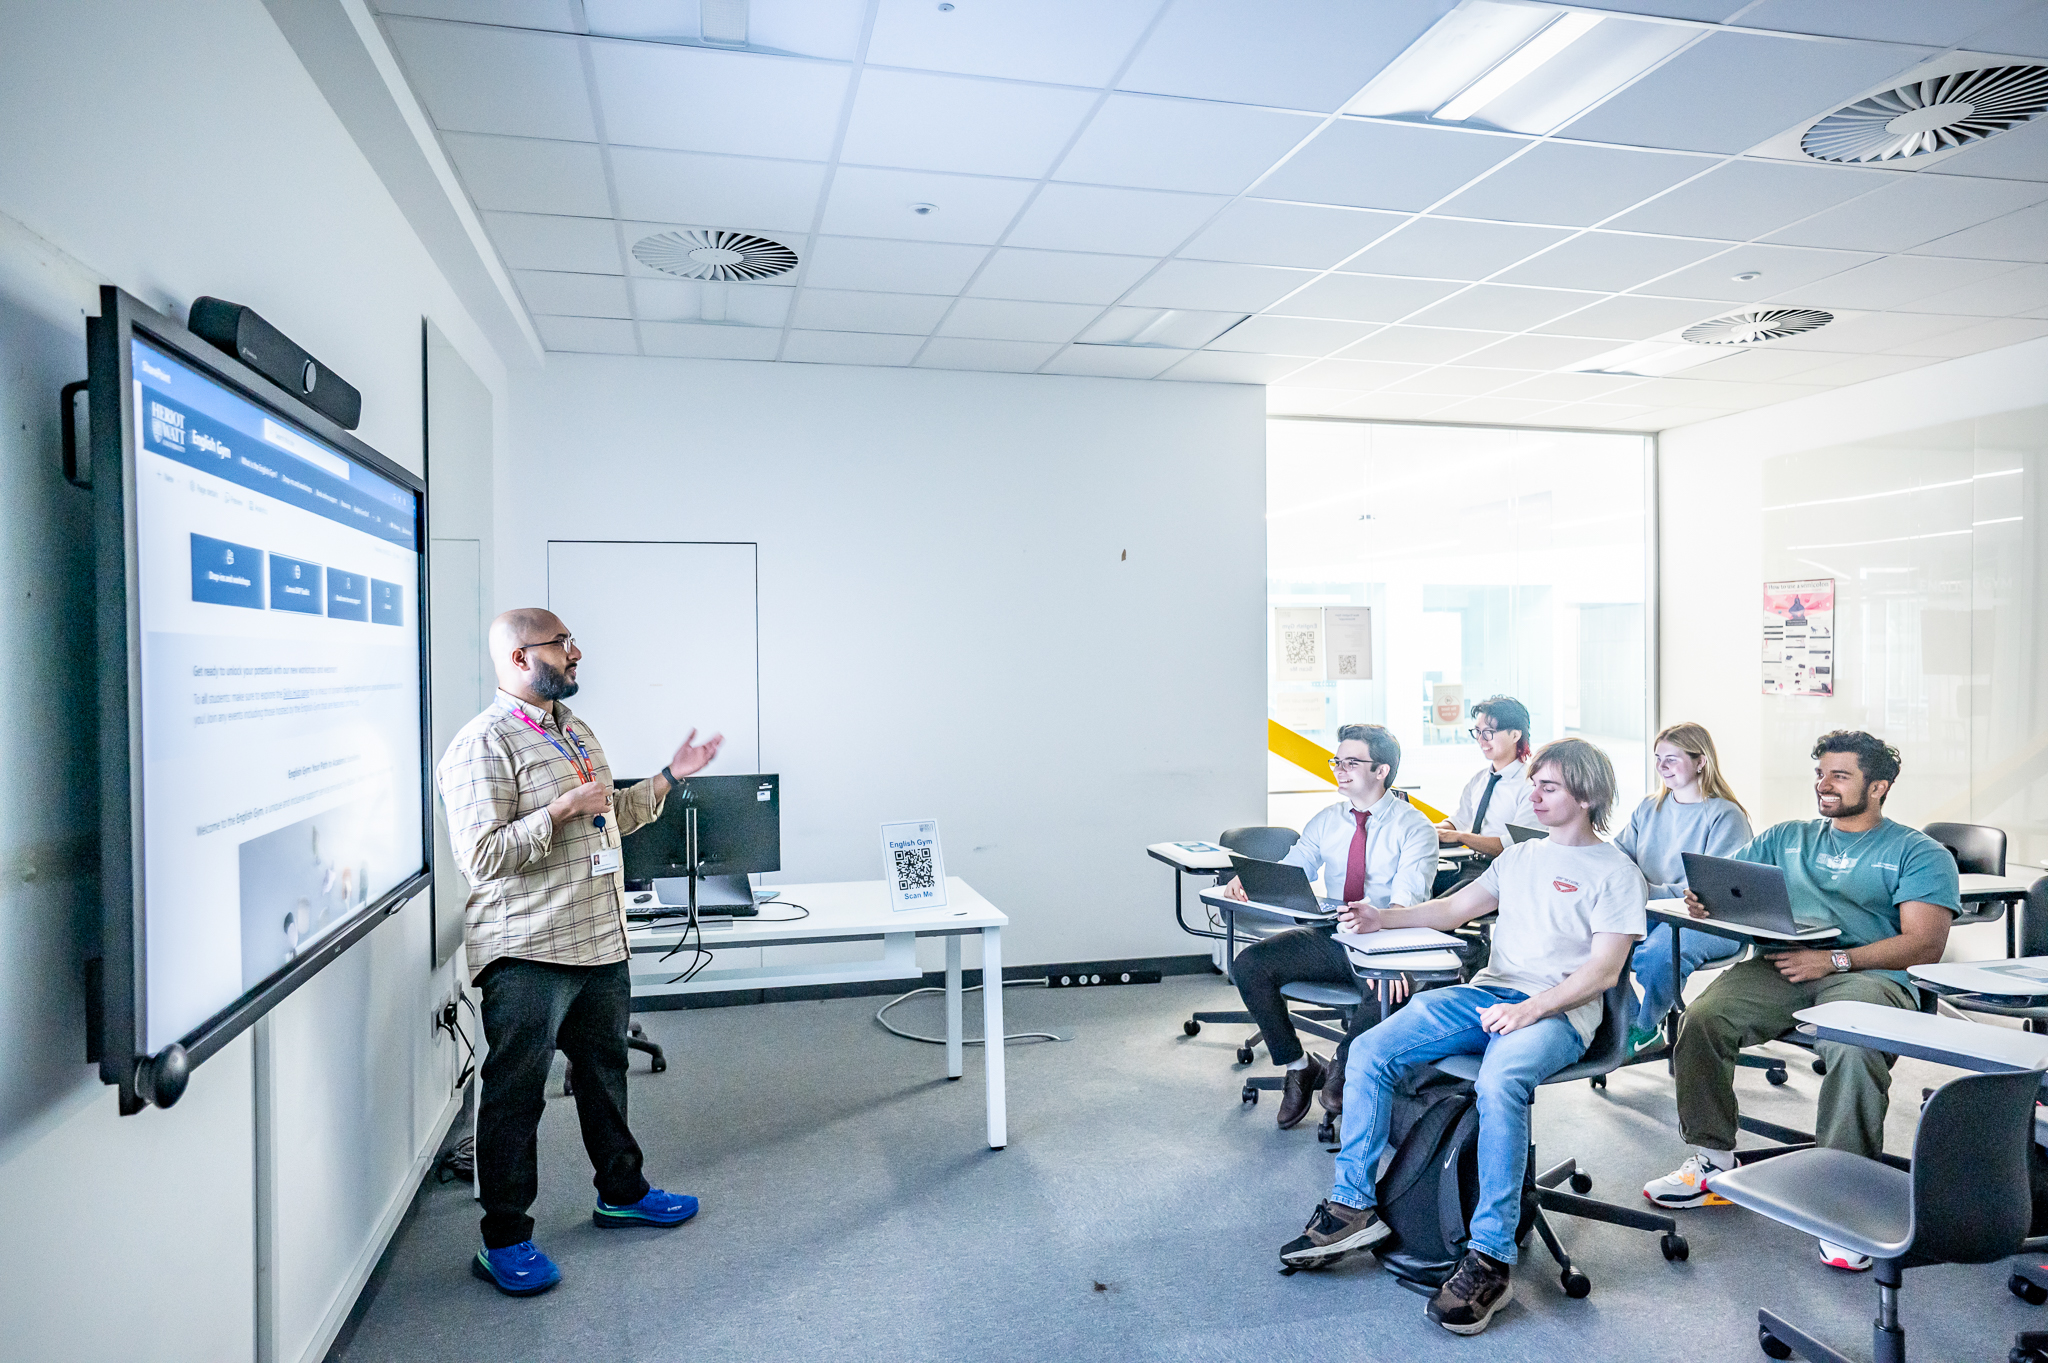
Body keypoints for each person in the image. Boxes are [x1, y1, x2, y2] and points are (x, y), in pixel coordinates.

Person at [1280, 738, 1646, 1337]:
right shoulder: (1521, 859)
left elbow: (1603, 973)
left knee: (1501, 1080)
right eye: (1535, 784)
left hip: (1558, 1012)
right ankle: (1353, 1205)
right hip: (1490, 993)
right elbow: (1450, 911)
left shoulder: (1616, 872)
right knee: (1372, 1049)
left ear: (1586, 795)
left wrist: (1534, 1009)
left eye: (1548, 787)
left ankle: (1491, 1255)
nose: (1534, 795)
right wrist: (1382, 918)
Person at [438, 608, 725, 1298]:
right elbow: (480, 857)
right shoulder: (481, 745)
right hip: (528, 948)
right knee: (515, 1095)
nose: (576, 652)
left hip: (598, 938)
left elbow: (612, 815)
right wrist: (560, 810)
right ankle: (505, 1238)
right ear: (516, 659)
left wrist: (665, 778)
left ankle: (621, 1192)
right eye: (561, 644)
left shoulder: (576, 730)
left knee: (604, 1073)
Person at [1642, 730, 1957, 1273]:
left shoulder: (1917, 852)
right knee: (1704, 1020)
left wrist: (1833, 961)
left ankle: (1842, 1198)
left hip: (1869, 975)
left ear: (1878, 787)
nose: (1824, 784)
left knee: (1853, 1048)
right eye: (1820, 773)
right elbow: (1730, 891)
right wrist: (1705, 902)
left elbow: (1924, 945)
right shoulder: (1787, 836)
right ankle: (1712, 1158)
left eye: (1840, 775)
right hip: (1782, 968)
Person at [1222, 724, 1438, 1128]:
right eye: (1337, 760)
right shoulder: (1328, 819)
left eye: (1351, 762)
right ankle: (1298, 1065)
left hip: (1387, 937)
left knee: (1387, 988)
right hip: (1335, 934)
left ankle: (1342, 1066)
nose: (1339, 769)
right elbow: (1295, 866)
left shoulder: (1415, 827)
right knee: (1249, 964)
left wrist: (1389, 956)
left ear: (1381, 771)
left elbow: (1408, 900)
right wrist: (1252, 881)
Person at [1614, 722, 1754, 1052]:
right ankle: (1635, 1022)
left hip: (1707, 918)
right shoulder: (1649, 808)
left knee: (1659, 956)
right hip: (1649, 909)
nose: (1661, 767)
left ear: (1701, 761)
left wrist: (1647, 891)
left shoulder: (1725, 815)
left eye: (1672, 759)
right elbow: (1619, 858)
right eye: (1658, 758)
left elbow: (1714, 887)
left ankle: (1645, 1025)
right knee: (1589, 938)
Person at [1433, 695, 1537, 892]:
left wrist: (1459, 837)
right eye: (1478, 732)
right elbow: (1459, 821)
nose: (1481, 739)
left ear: (1515, 735)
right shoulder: (1479, 779)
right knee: (1414, 886)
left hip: (1503, 872)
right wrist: (1427, 830)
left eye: (1489, 732)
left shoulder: (1531, 786)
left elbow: (1513, 845)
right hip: (1469, 864)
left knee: (1437, 909)